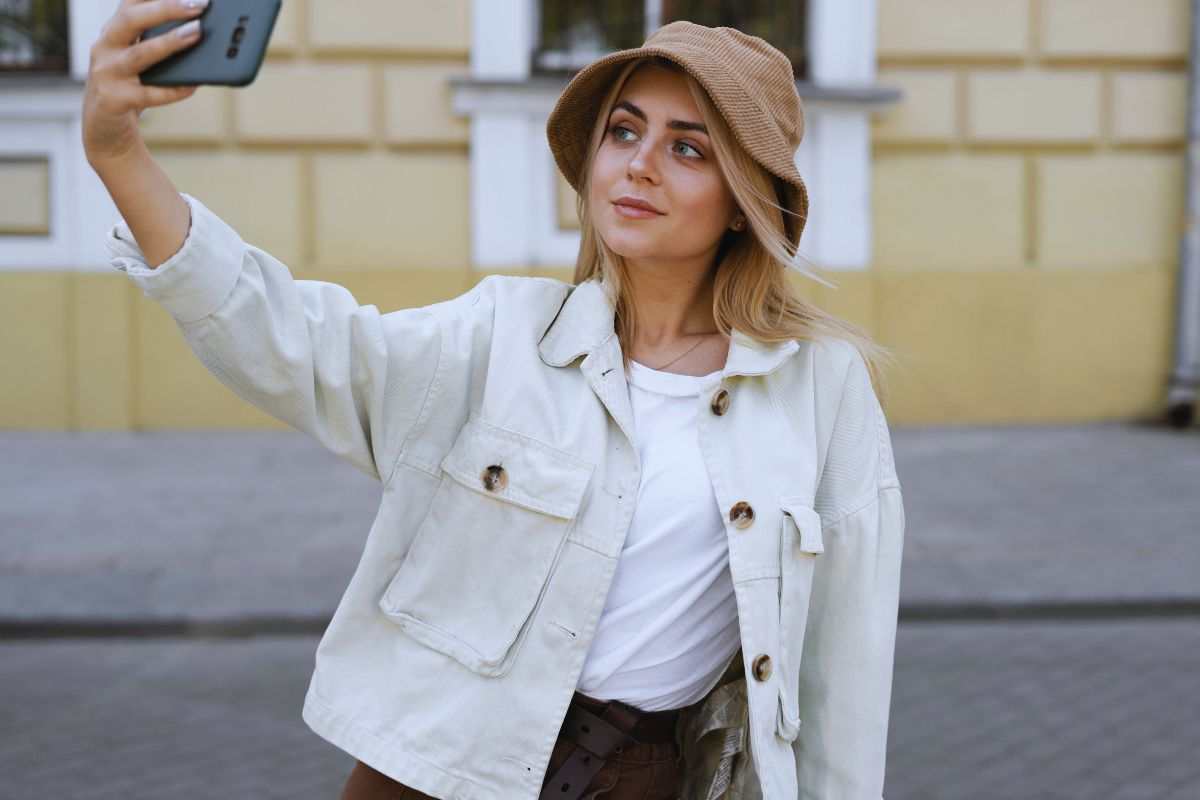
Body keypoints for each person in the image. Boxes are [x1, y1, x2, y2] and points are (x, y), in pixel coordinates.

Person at [84, 4, 905, 798]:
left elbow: (844, 673)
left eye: (688, 149)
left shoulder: (820, 390)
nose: (638, 164)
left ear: (743, 202)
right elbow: (298, 341)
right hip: (431, 768)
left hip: (635, 777)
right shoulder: (502, 335)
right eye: (625, 130)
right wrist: (119, 152)